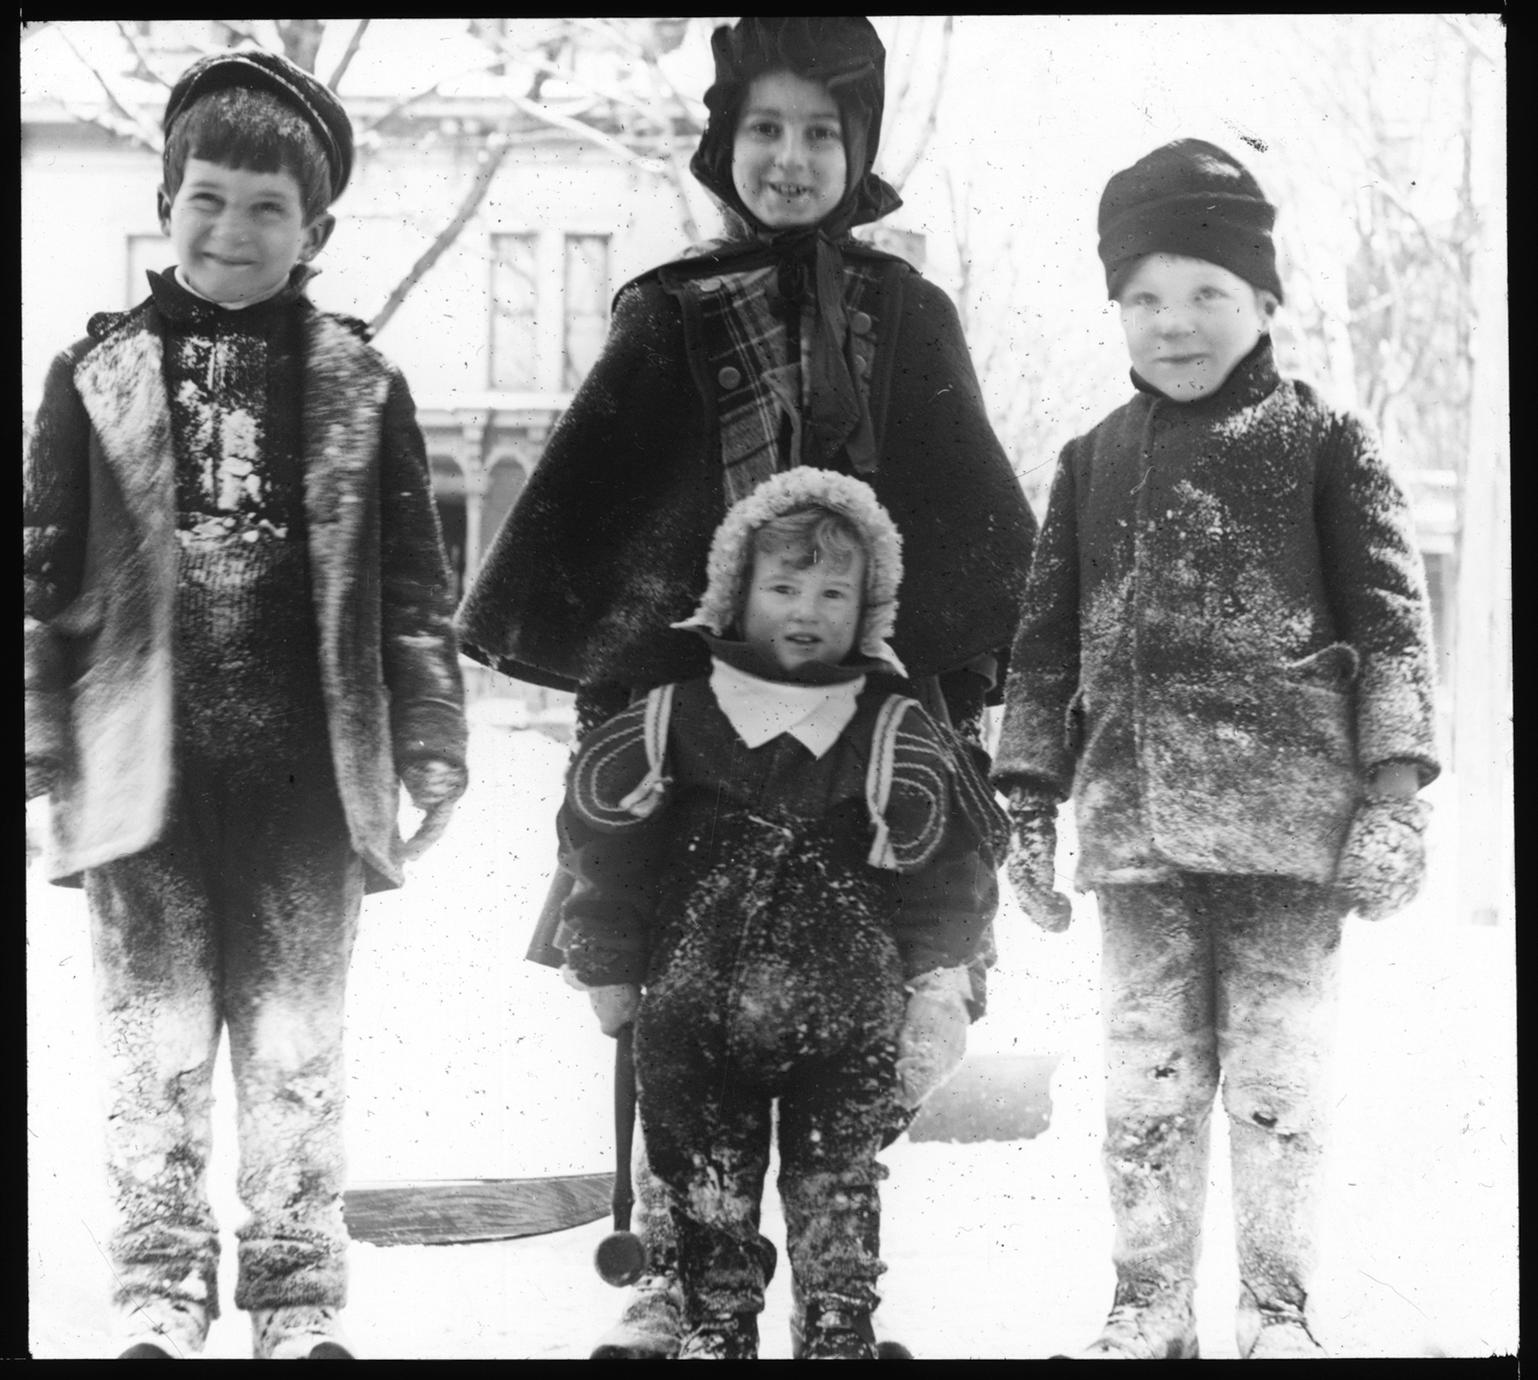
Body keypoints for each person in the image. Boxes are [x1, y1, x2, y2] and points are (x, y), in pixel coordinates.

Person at [453, 14, 1036, 1358]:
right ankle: (677, 1280)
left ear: (860, 147)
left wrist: (961, 683)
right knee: (676, 995)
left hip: (869, 705)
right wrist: (627, 682)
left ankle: (836, 1293)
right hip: (704, 717)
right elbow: (610, 508)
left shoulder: (909, 313)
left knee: (879, 991)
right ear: (726, 143)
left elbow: (964, 518)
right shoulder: (667, 310)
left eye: (820, 132)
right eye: (763, 130)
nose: (789, 157)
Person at [22, 50, 468, 1361]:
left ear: (314, 229)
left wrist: (431, 735)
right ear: (166, 203)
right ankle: (158, 1293)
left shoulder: (358, 386)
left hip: (303, 793)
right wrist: (40, 731)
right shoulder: (92, 378)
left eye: (266, 208)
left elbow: (410, 590)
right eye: (206, 199)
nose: (231, 230)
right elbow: (39, 571)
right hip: (138, 779)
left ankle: (296, 1300)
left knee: (292, 1057)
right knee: (152, 1056)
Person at [993, 138, 1440, 1360]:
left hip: (1290, 840)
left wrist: (1392, 795)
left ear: (1262, 300)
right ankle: (1145, 1308)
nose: (1171, 323)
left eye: (1205, 293)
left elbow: (1391, 625)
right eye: (1142, 296)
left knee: (1277, 1087)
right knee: (1143, 1085)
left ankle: (1274, 1310)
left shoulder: (1324, 441)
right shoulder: (1089, 461)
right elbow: (1040, 652)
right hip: (1135, 836)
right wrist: (1026, 803)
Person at [559, 468, 1008, 1360]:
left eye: (835, 592)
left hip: (847, 1024)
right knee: (705, 1182)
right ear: (734, 595)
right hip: (694, 1021)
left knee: (836, 1182)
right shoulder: (672, 719)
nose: (807, 611)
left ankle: (838, 1317)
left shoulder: (891, 729)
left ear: (870, 607)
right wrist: (606, 961)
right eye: (783, 588)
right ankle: (717, 1320)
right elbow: (609, 856)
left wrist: (940, 981)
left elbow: (944, 873)